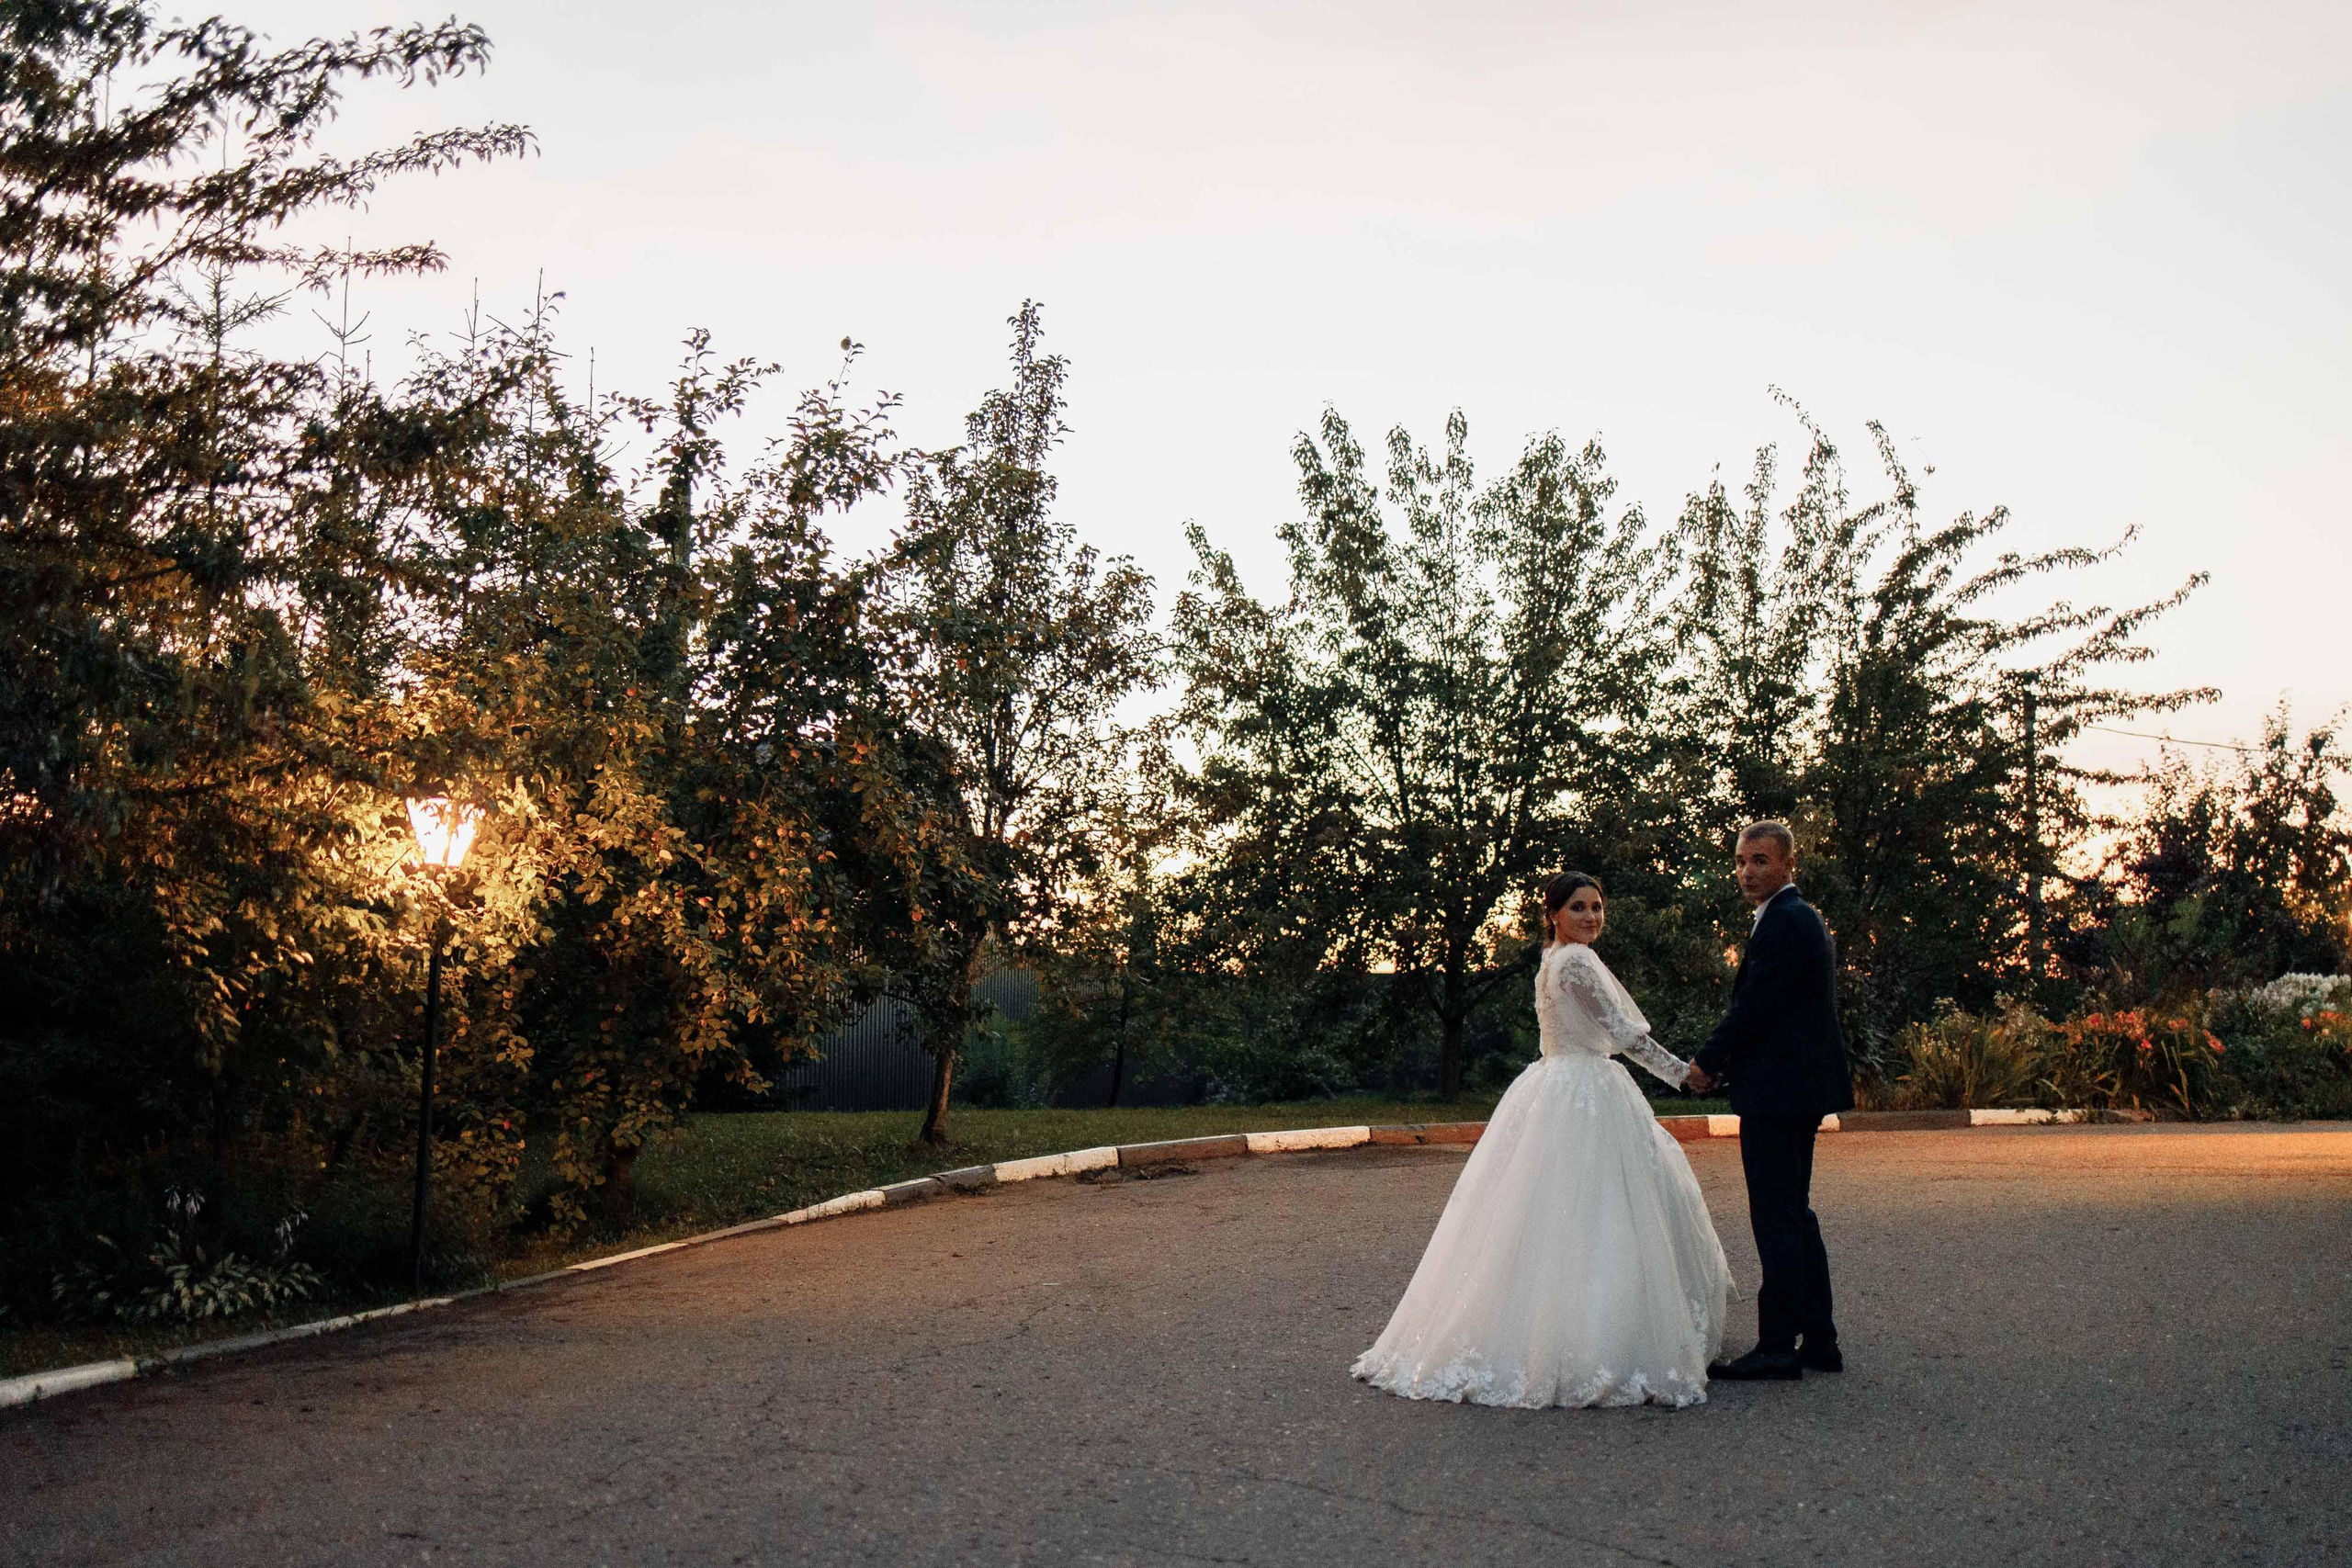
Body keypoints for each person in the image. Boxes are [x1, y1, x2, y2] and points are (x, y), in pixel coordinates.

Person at [1352, 872, 1731, 1408]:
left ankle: (1548, 1327)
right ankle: (1600, 1339)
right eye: (1579, 907)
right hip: (1586, 1088)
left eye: (1598, 907)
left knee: (1551, 1215)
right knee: (1605, 1213)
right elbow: (1622, 1035)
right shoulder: (1574, 961)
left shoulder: (1552, 960)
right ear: (1552, 913)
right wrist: (1684, 1075)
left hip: (1556, 1084)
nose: (1592, 917)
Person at [1688, 819, 1854, 1381]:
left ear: (1788, 865)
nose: (1746, 872)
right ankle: (1820, 1341)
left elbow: (1754, 1007)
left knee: (1777, 1216)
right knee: (1795, 1213)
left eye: (1759, 861)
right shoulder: (1791, 918)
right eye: (1740, 861)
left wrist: (1706, 1062)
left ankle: (1780, 1344)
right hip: (1794, 1089)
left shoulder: (1785, 921)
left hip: (1781, 1093)